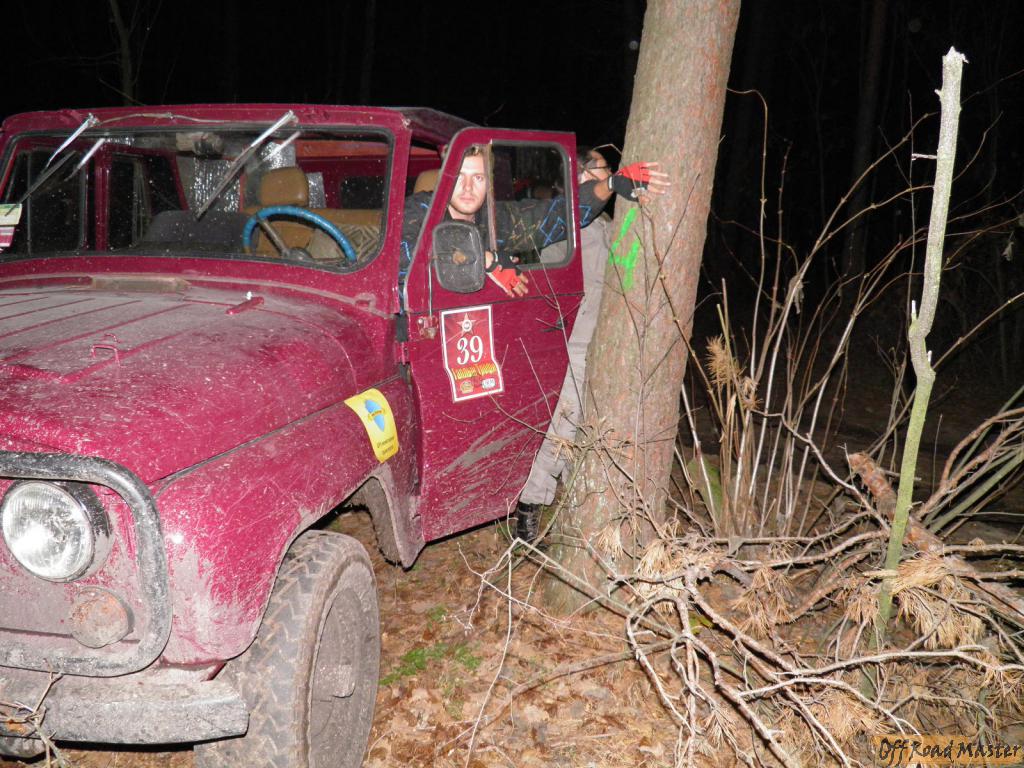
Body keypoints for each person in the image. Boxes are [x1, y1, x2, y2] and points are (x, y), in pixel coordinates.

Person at [515, 147, 670, 542]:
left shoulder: (599, 222)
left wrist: (636, 209)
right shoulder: (565, 221)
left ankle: (571, 500)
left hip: (596, 339)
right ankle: (529, 507)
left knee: (583, 423)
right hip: (573, 340)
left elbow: (625, 253)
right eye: (604, 168)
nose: (610, 172)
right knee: (564, 423)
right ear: (582, 175)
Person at [400, 145, 666, 297]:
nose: (468, 187)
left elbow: (555, 217)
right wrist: (486, 259)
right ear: (444, 177)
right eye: (459, 176)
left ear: (489, 182)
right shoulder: (420, 209)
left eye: (478, 178)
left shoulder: (496, 218)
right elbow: (409, 253)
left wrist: (610, 184)